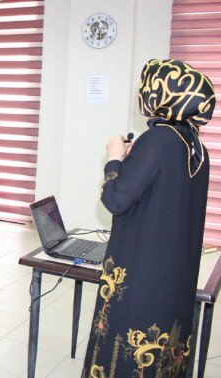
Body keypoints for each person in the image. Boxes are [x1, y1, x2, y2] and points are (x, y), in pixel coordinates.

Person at [82, 59, 214, 377]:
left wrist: (114, 157)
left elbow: (115, 199)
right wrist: (132, 161)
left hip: (142, 275)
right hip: (173, 275)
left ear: (161, 95)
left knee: (124, 352)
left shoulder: (157, 139)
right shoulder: (196, 146)